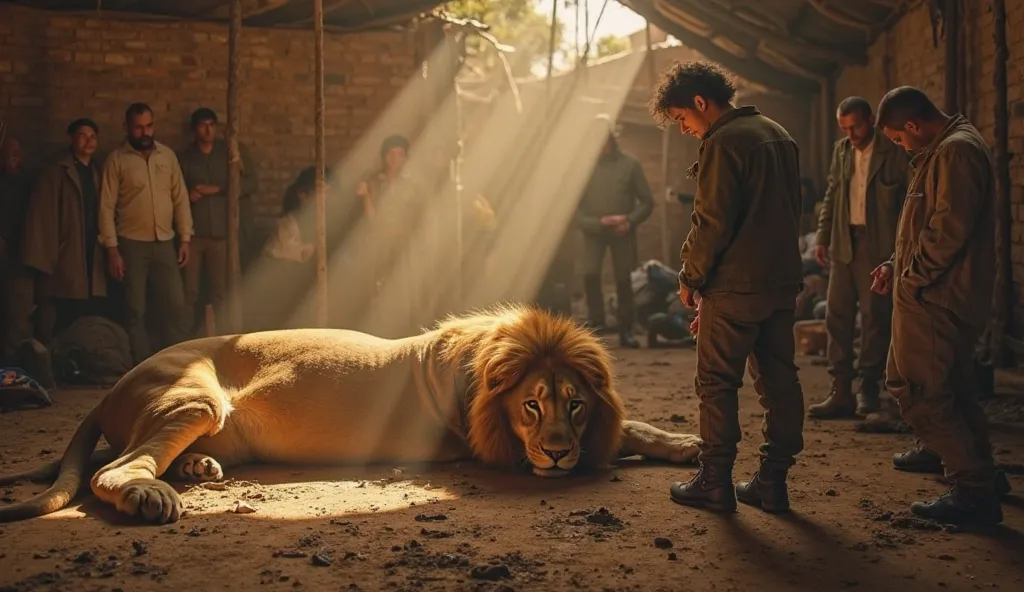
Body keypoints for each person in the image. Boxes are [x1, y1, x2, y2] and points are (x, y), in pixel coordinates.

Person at [647, 60, 805, 513]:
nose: (683, 129)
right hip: (780, 283)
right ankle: (773, 481)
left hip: (735, 286)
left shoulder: (724, 140)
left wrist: (690, 278)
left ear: (701, 102)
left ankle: (715, 481)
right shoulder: (779, 133)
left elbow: (712, 221)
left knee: (716, 383)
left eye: (682, 118)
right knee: (780, 382)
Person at [871, 86, 1004, 525]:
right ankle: (983, 472)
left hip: (938, 293)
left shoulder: (956, 152)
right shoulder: (946, 147)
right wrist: (896, 262)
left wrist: (912, 280)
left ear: (912, 125)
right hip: (935, 287)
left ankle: (974, 490)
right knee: (955, 386)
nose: (901, 145)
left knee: (916, 389)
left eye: (897, 138)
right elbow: (924, 224)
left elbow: (948, 230)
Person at [809, 96, 910, 419]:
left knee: (874, 318)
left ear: (871, 118)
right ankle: (840, 390)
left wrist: (897, 253)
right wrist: (823, 237)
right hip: (843, 241)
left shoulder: (894, 150)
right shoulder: (842, 151)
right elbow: (832, 194)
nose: (851, 134)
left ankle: (868, 388)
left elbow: (908, 204)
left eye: (855, 126)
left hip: (877, 246)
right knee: (836, 315)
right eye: (844, 128)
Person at [99, 102, 193, 364]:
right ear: (127, 128)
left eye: (149, 125)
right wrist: (112, 249)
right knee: (135, 309)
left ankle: (178, 364)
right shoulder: (116, 160)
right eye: (138, 127)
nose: (145, 132)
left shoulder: (167, 156)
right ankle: (140, 366)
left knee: (175, 304)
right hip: (131, 244)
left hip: (165, 242)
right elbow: (106, 206)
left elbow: (180, 199)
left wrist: (185, 237)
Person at [21, 118, 110, 342]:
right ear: (71, 139)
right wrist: (44, 257)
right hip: (66, 249)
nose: (89, 141)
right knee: (61, 309)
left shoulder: (98, 172)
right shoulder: (56, 173)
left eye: (93, 136)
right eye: (83, 135)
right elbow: (41, 218)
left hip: (91, 247)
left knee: (87, 309)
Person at [573, 114, 654, 348]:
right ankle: (596, 328)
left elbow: (647, 202)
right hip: (594, 232)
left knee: (623, 279)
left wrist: (629, 220)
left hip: (622, 232)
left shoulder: (630, 165)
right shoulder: (584, 168)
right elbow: (574, 209)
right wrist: (596, 223)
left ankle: (626, 330)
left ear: (612, 136)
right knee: (590, 275)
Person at [177, 107, 259, 336]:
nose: (208, 130)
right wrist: (188, 194)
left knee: (220, 291)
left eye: (212, 125)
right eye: (203, 125)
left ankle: (223, 339)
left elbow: (251, 184)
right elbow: (174, 190)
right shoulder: (186, 157)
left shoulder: (230, 153)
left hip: (222, 234)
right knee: (189, 291)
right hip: (193, 233)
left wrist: (219, 189)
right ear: (195, 129)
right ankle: (184, 340)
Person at [0, 134, 34, 364]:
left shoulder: (26, 184)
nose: (15, 158)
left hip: (18, 256)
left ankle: (12, 365)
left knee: (17, 313)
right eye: (10, 153)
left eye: (18, 153)